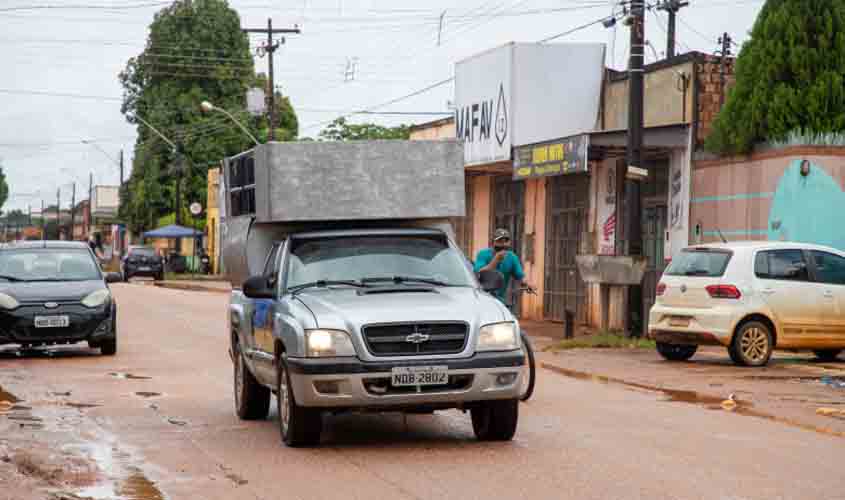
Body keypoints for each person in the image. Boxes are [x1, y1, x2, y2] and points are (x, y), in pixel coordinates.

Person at [473, 228, 533, 305]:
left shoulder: (512, 257)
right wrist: (496, 260)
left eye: (506, 241)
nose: (503, 244)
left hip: (500, 300)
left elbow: (520, 276)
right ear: (493, 242)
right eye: (500, 241)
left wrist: (528, 284)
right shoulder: (483, 254)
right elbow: (479, 272)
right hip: (482, 297)